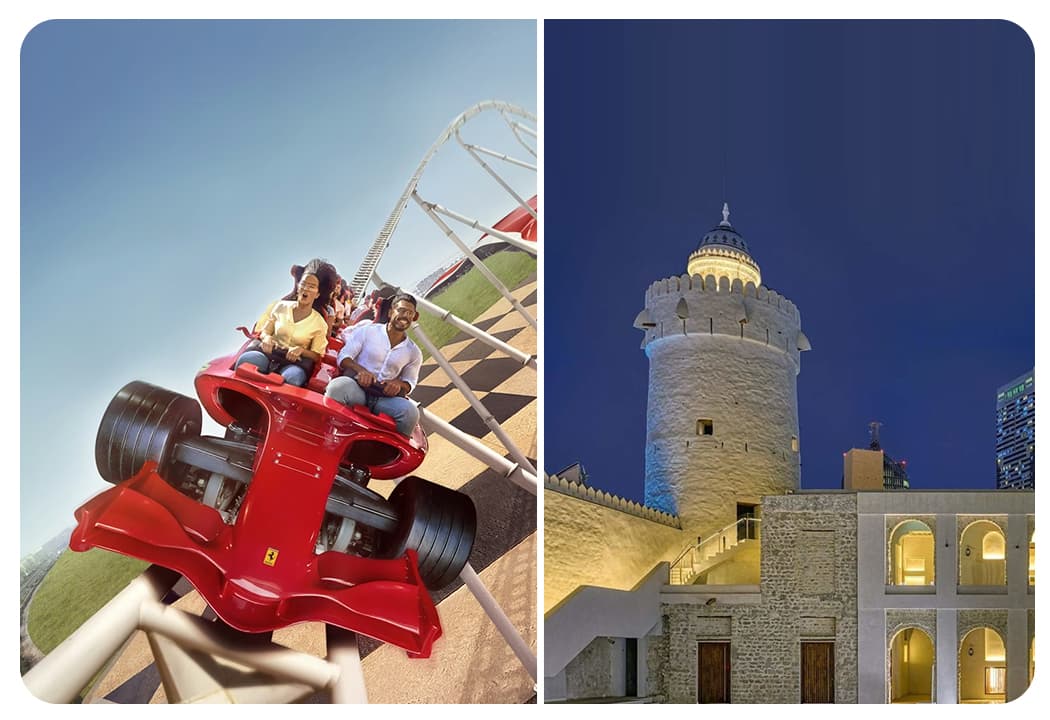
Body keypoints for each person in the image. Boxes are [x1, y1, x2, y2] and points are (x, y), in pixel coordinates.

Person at [324, 292, 423, 436]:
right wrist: (360, 370)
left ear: (414, 317)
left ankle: (385, 454)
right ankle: (331, 434)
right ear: (390, 312)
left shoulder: (414, 352)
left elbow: (409, 383)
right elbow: (344, 357)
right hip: (358, 388)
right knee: (337, 387)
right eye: (401, 310)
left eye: (410, 313)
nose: (405, 316)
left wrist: (398, 384)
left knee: (410, 413)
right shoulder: (367, 331)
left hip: (384, 399)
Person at [236, 261, 335, 386]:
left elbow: (317, 355)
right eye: (303, 284)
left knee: (292, 379)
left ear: (318, 294)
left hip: (294, 363)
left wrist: (301, 351)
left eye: (311, 287)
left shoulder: (320, 323)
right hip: (268, 353)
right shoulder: (280, 306)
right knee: (248, 361)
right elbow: (265, 331)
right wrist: (267, 338)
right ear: (298, 286)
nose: (305, 289)